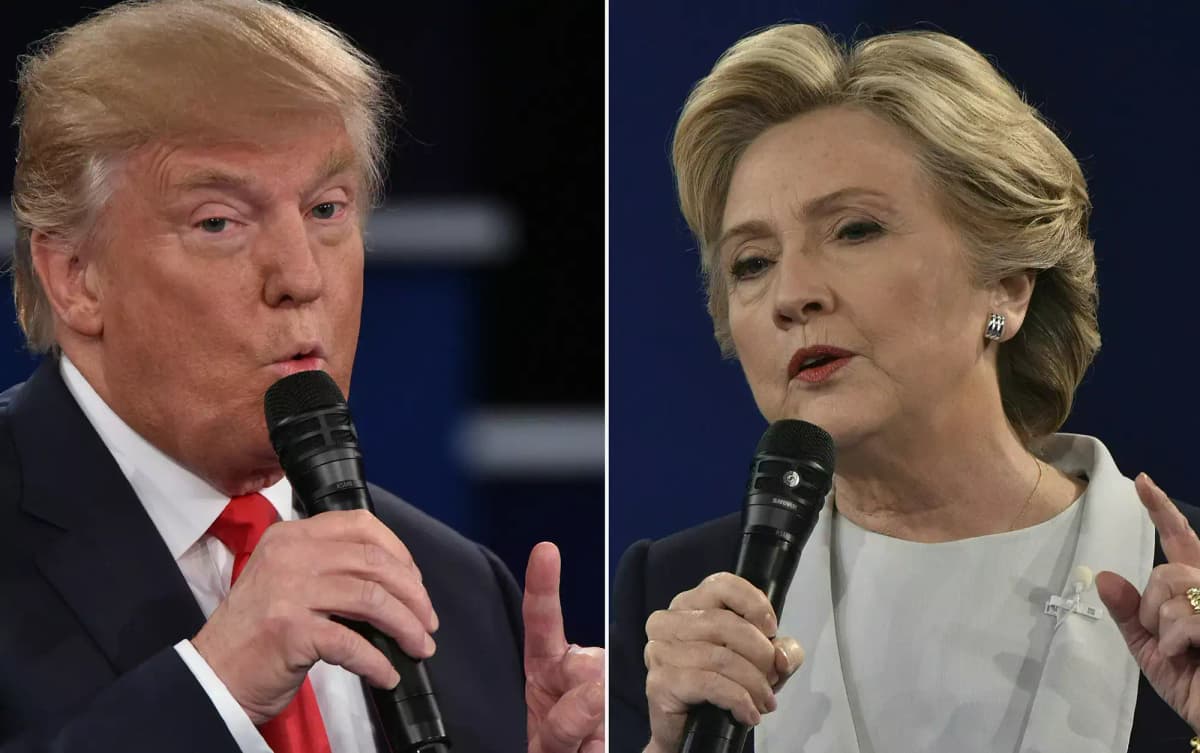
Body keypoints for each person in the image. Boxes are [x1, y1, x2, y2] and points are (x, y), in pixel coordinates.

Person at [0, 2, 603, 752]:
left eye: (326, 208)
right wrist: (215, 687)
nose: (300, 274)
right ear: (77, 277)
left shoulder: (458, 588)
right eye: (219, 221)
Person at [610, 23, 1200, 753]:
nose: (791, 294)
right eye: (752, 262)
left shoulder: (1185, 576)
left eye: (854, 229)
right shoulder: (668, 596)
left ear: (1008, 286)